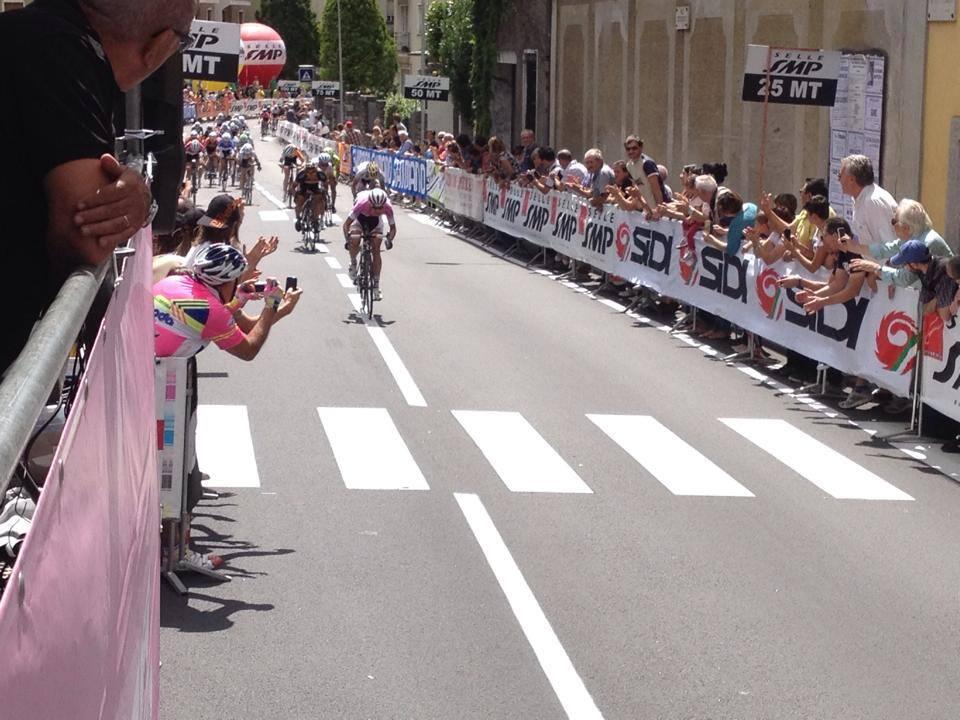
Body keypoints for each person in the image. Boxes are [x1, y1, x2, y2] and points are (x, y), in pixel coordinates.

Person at [0, 0, 193, 375]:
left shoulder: (30, 34)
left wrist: (141, 197)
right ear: (162, 45)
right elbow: (86, 232)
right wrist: (138, 196)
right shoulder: (62, 51)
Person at [342, 188, 397, 301]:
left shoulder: (388, 207)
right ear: (370, 203)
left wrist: (389, 240)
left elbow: (393, 228)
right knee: (355, 239)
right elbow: (346, 225)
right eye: (374, 207)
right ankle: (353, 263)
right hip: (360, 219)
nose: (377, 210)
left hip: (375, 222)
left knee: (376, 249)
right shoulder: (362, 204)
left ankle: (376, 285)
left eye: (380, 208)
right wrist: (348, 240)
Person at [294, 159, 325, 232]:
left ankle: (315, 220)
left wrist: (324, 192)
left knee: (318, 200)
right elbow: (293, 186)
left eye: (313, 171)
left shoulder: (320, 173)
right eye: (308, 171)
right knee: (300, 200)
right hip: (304, 187)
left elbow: (326, 184)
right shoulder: (302, 174)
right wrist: (295, 195)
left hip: (315, 187)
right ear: (305, 171)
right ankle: (298, 218)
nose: (311, 173)